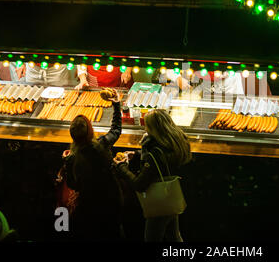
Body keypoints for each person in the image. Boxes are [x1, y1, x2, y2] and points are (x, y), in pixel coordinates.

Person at [113, 109, 192, 242]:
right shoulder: (174, 142)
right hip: (171, 195)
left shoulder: (155, 153)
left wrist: (121, 167)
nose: (145, 128)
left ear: (153, 129)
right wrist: (138, 155)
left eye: (147, 126)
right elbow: (159, 162)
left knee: (152, 238)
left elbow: (139, 184)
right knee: (174, 235)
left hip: (159, 200)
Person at [62, 88, 124, 240]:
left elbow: (72, 184)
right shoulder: (102, 144)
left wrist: (65, 161)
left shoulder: (72, 158)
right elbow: (116, 129)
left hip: (89, 204)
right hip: (111, 198)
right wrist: (116, 104)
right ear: (90, 130)